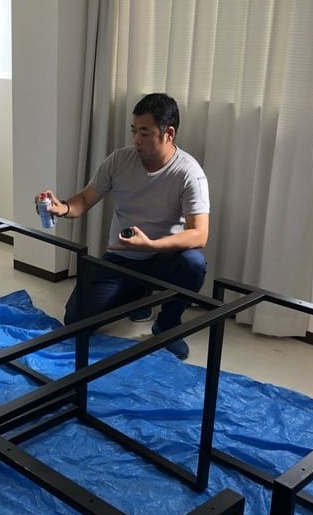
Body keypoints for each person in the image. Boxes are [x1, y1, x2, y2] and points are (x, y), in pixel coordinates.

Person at [38, 93, 209, 360]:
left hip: (164, 257)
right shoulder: (119, 160)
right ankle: (138, 294)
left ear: (169, 134)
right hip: (123, 257)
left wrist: (151, 245)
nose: (136, 139)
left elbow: (199, 233)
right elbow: (85, 199)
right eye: (134, 131)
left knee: (194, 264)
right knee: (75, 321)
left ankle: (167, 325)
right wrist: (63, 208)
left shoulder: (188, 173)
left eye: (144, 132)